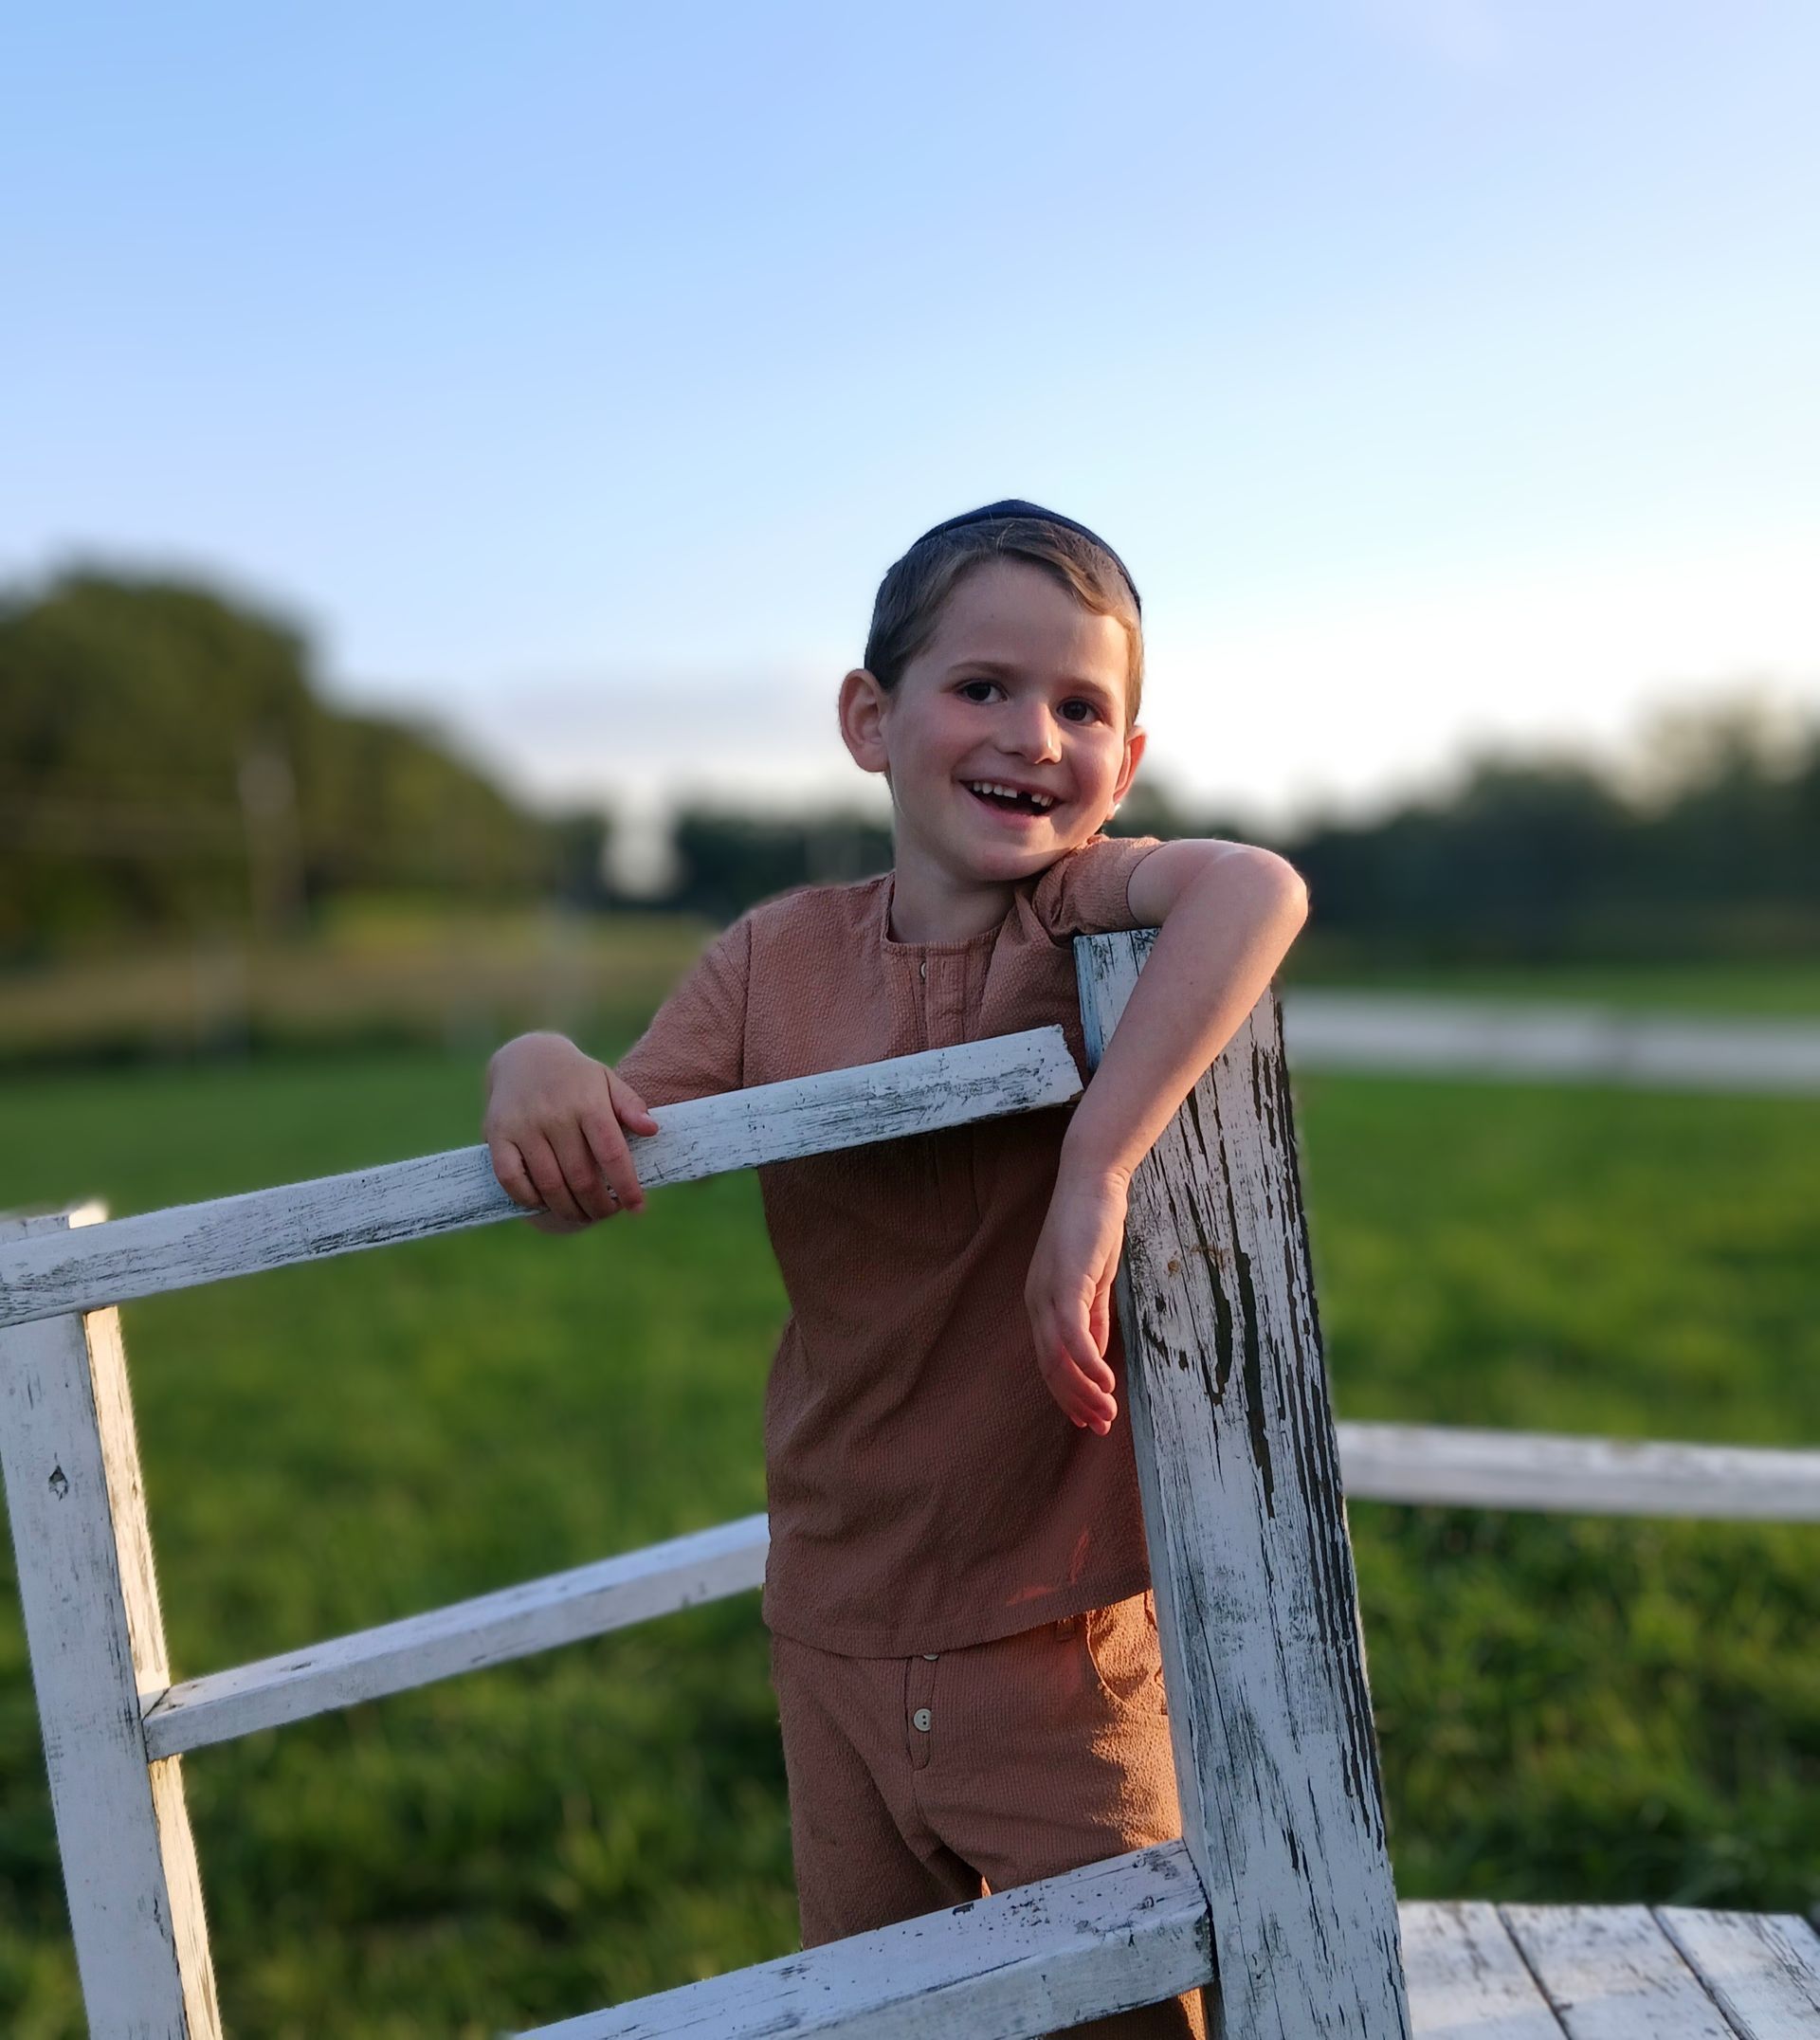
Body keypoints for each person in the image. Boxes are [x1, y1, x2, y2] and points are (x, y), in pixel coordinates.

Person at [482, 501, 1309, 2037]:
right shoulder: (771, 963)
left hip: (1058, 1628)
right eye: (982, 688)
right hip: (835, 1604)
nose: (1033, 737)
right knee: (886, 2011)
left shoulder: (1078, 911)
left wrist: (1094, 1161)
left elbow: (1256, 890)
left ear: (1124, 767)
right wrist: (535, 1058)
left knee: (1145, 2004)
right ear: (873, 719)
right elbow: (597, 1149)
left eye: (1082, 709)